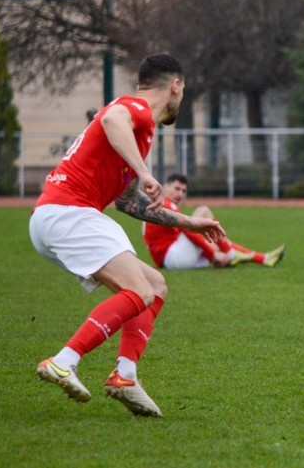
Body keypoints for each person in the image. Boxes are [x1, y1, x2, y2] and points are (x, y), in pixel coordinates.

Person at [30, 54, 226, 417]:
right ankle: (63, 360)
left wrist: (189, 223)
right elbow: (110, 118)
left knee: (155, 286)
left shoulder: (139, 130)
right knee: (140, 291)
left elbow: (127, 202)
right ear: (175, 86)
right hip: (69, 212)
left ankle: (125, 375)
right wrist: (145, 171)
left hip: (57, 216)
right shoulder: (132, 108)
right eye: (182, 91)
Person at [142, 173, 286, 269]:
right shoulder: (166, 204)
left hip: (171, 258)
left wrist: (212, 252)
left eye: (184, 191)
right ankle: (231, 254)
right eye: (177, 189)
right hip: (171, 258)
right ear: (165, 187)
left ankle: (264, 259)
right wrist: (212, 254)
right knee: (202, 213)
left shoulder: (162, 204)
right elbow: (188, 231)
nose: (180, 194)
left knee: (213, 239)